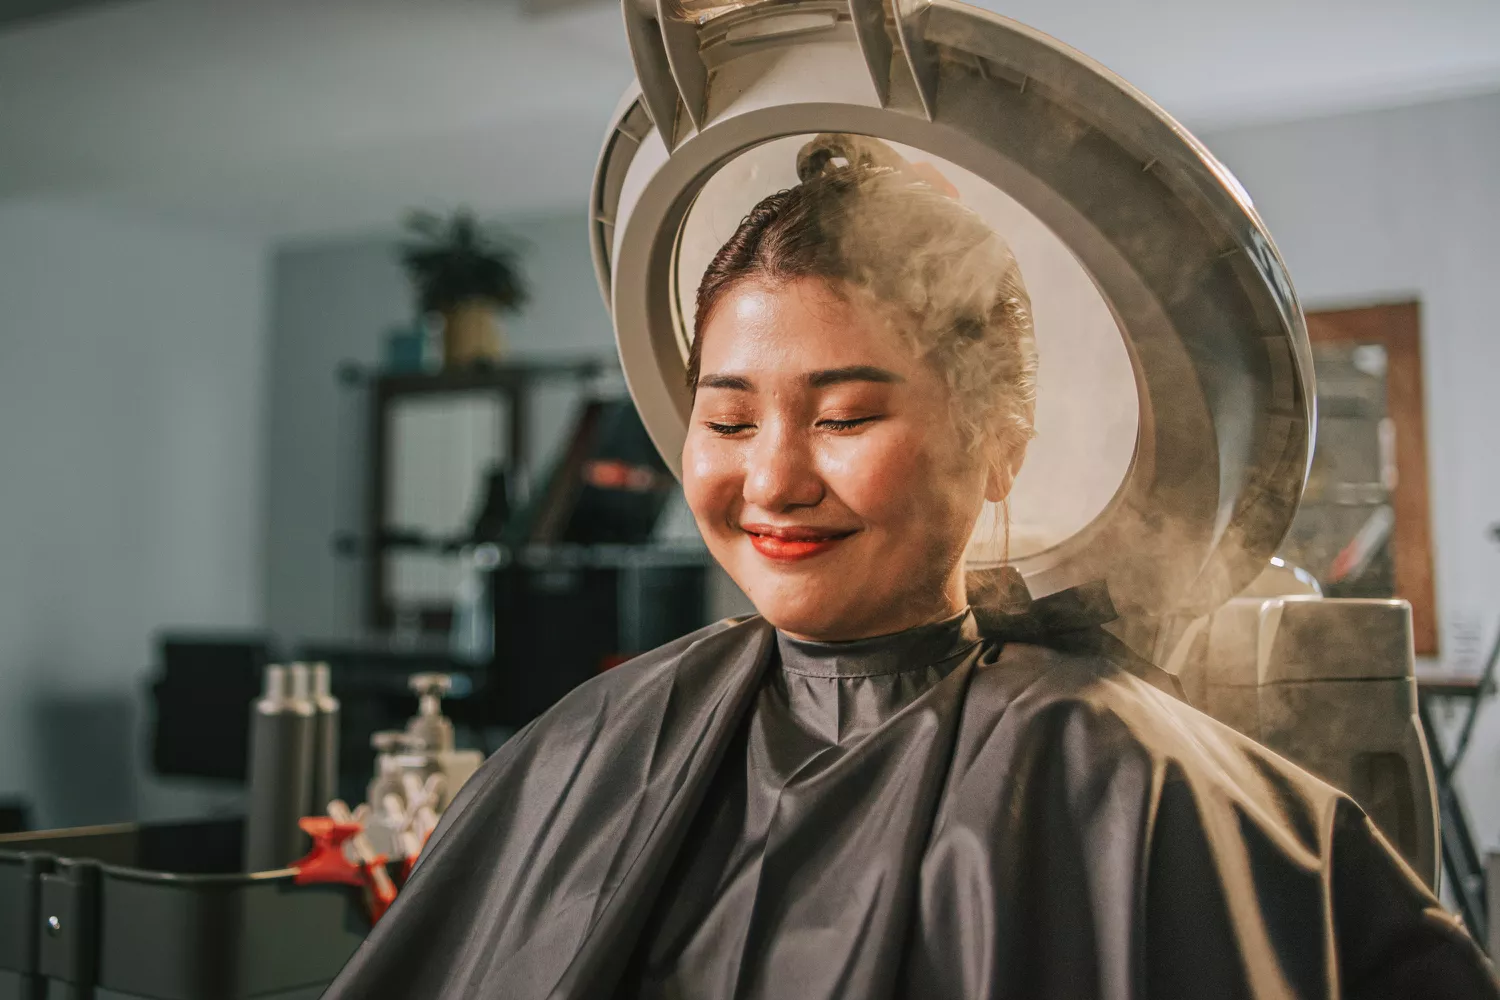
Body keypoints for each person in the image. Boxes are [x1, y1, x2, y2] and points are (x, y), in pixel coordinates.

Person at [324, 135, 1498, 999]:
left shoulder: (1120, 778)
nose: (771, 480)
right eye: (728, 422)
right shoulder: (599, 738)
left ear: (996, 444)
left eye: (841, 418)